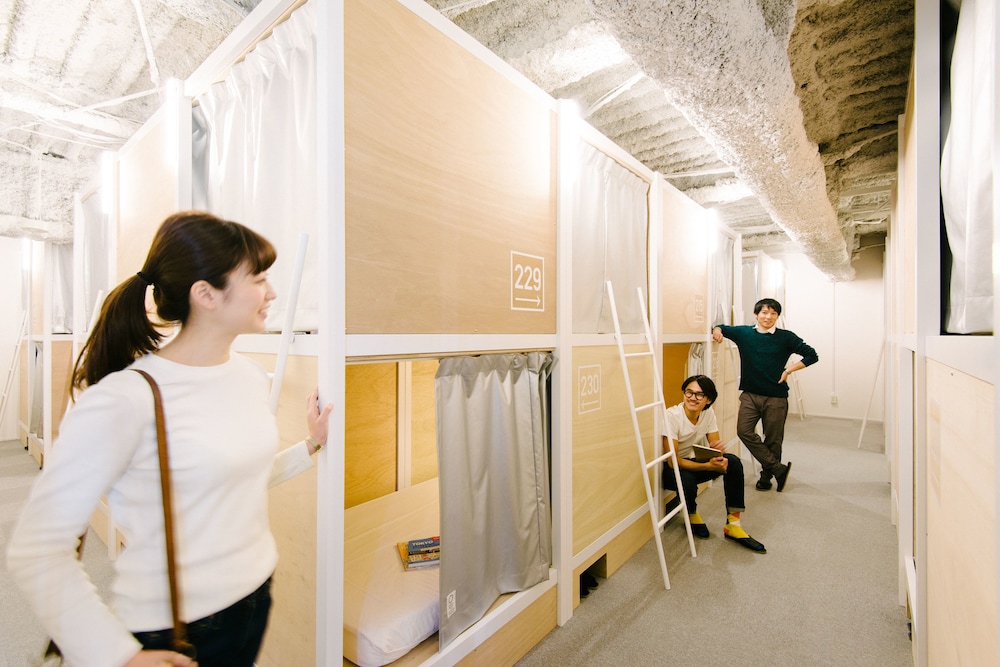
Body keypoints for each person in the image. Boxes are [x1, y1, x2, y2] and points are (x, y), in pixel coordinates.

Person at [8, 211, 333, 667]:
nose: (272, 292)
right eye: (258, 279)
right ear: (206, 295)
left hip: (254, 597)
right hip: (177, 629)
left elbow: (233, 480)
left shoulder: (248, 376)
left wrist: (310, 446)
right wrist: (117, 656)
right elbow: (37, 547)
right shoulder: (126, 399)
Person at [712, 297, 818, 492]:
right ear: (756, 314)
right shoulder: (744, 333)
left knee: (773, 439)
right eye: (764, 312)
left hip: (776, 397)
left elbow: (812, 355)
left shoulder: (786, 337)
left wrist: (788, 370)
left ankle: (766, 477)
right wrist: (717, 330)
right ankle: (778, 468)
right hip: (750, 395)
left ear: (777, 316)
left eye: (773, 313)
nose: (768, 317)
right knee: (744, 431)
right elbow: (721, 327)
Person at [662, 375, 766, 554]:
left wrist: (718, 452)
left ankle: (733, 524)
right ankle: (692, 514)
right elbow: (673, 461)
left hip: (690, 461)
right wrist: (707, 467)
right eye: (689, 392)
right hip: (668, 469)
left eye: (699, 395)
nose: (692, 398)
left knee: (733, 462)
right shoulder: (672, 416)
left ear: (708, 400)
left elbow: (715, 446)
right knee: (686, 478)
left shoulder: (707, 413)